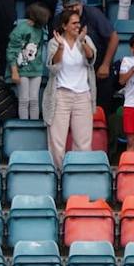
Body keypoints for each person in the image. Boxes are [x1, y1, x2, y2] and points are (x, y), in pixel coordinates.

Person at [44, 9, 95, 169]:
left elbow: (91, 59)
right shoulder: (55, 42)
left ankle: (79, 173)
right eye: (73, 23)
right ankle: (58, 175)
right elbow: (53, 66)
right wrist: (60, 47)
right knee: (57, 141)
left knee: (83, 141)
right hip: (61, 94)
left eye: (78, 23)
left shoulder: (85, 39)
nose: (77, 26)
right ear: (64, 26)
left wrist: (82, 42)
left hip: (82, 95)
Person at [7, 3, 50, 121]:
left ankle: (34, 124)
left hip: (36, 69)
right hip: (22, 70)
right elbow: (12, 50)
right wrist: (14, 70)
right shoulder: (20, 29)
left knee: (35, 99)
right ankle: (24, 125)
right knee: (24, 99)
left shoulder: (41, 29)